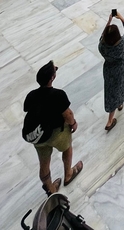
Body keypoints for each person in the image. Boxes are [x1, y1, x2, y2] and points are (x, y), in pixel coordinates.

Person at [23, 61, 82, 195]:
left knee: (44, 163)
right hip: (56, 134)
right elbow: (68, 114)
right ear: (52, 78)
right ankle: (68, 174)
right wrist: (73, 124)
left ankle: (50, 188)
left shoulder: (31, 95)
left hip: (38, 136)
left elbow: (26, 109)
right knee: (67, 148)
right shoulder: (58, 95)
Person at [98, 11, 124, 131]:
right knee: (121, 87)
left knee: (111, 91)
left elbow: (102, 36)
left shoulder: (101, 46)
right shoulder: (120, 45)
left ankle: (119, 104)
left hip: (108, 69)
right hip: (120, 69)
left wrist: (109, 21)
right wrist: (121, 17)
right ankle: (109, 121)